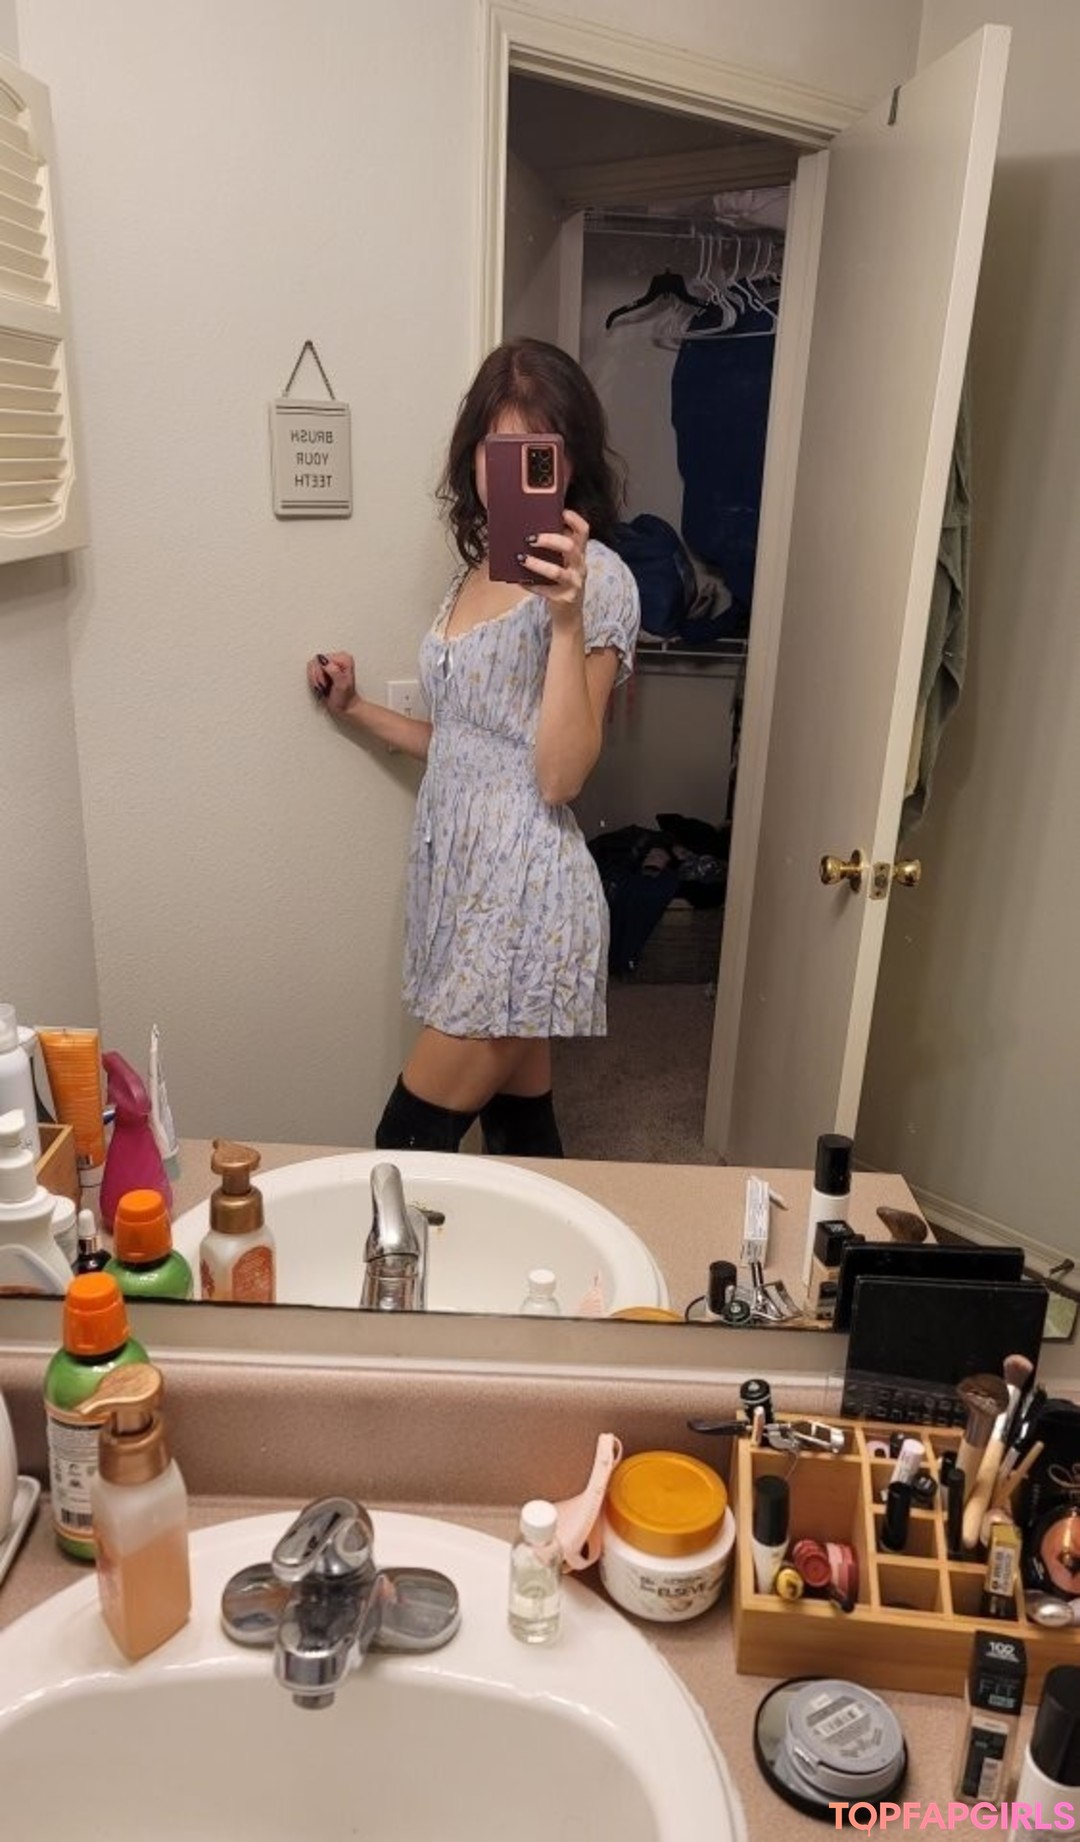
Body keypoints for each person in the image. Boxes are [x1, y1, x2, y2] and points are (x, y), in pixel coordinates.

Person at [306, 338, 640, 1156]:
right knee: (521, 1132)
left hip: (525, 895)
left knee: (406, 1139)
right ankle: (554, 1246)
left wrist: (567, 618)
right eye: (498, 449)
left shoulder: (599, 580)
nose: (512, 472)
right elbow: (466, 743)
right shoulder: (476, 570)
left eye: (537, 452)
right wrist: (357, 710)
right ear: (473, 457)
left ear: (569, 461)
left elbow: (559, 777)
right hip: (460, 882)